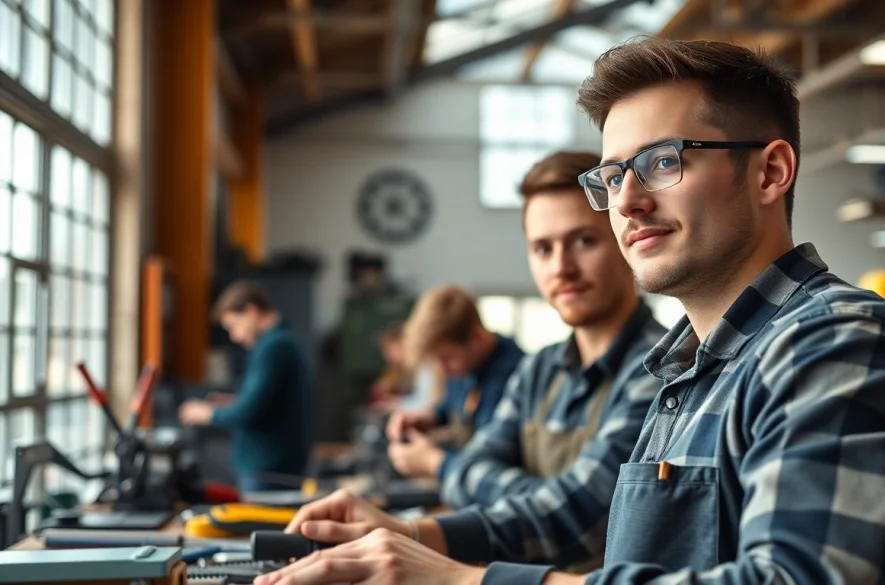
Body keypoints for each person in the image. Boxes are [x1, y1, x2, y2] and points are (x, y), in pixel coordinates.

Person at [253, 38, 885, 585]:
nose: (628, 201)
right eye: (611, 176)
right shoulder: (686, 372)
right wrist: (410, 535)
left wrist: (459, 578)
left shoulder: (844, 350)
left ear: (770, 171)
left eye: (664, 161)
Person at [255, 149, 666, 580]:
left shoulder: (663, 371)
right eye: (542, 248)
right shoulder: (539, 371)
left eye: (583, 240)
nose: (561, 267)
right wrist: (402, 531)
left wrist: (430, 508)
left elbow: (575, 514)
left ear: (623, 234)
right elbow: (484, 461)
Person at [179, 280, 314, 493]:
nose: (235, 336)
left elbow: (249, 411)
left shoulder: (274, 346)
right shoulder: (283, 341)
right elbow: (270, 404)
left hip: (268, 467)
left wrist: (205, 413)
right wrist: (232, 402)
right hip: (276, 463)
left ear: (251, 311)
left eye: (234, 326)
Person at [385, 285, 525, 482]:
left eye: (447, 358)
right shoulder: (466, 368)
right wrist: (424, 418)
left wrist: (432, 461)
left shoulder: (514, 375)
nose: (442, 370)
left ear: (476, 336)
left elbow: (488, 460)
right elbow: (450, 404)